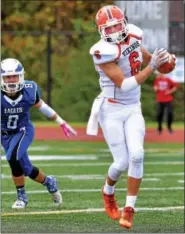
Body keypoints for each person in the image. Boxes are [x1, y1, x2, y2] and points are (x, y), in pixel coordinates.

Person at [86, 5, 175, 229]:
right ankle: (108, 191)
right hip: (112, 110)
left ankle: (129, 209)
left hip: (133, 107)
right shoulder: (102, 51)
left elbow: (145, 59)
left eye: (117, 24)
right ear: (101, 31)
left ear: (125, 22)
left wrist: (164, 62)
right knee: (122, 162)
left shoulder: (134, 34)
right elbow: (125, 84)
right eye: (109, 27)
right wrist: (153, 67)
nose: (115, 30)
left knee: (137, 154)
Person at [1, 58, 77, 209]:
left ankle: (22, 197)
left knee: (12, 156)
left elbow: (42, 106)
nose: (11, 80)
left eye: (14, 76)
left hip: (24, 130)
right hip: (4, 135)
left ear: (21, 76)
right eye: (8, 77)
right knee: (27, 169)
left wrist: (61, 122)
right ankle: (49, 182)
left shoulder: (29, 90)